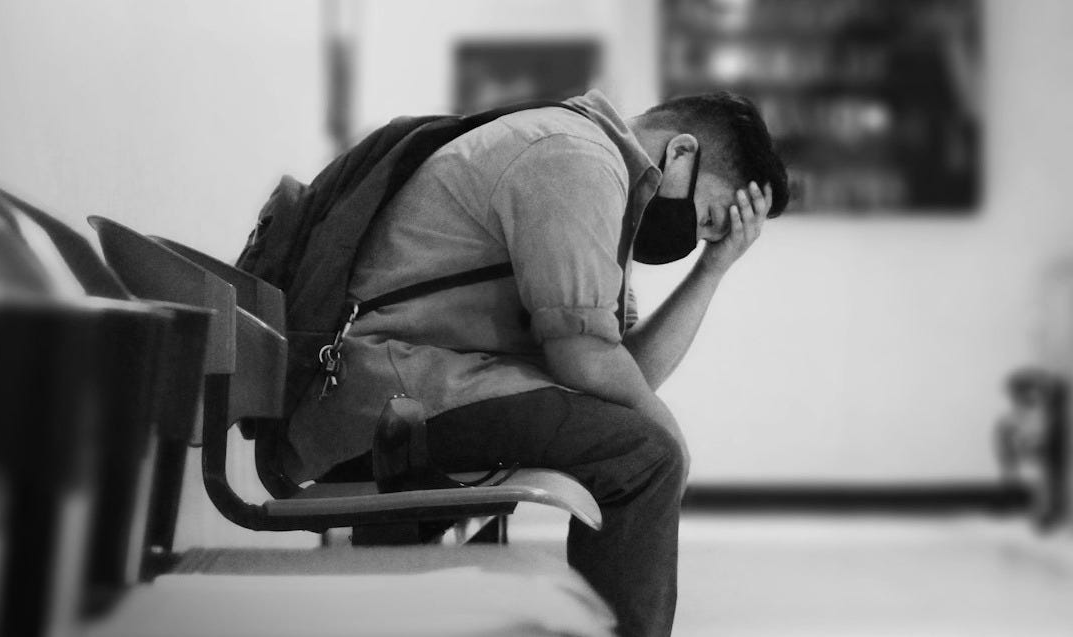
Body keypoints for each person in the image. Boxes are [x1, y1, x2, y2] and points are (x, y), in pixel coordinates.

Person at [285, 89, 788, 636]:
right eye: (708, 217)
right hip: (390, 389)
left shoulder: (600, 181)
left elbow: (619, 376)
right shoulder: (575, 157)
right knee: (648, 456)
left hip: (418, 386)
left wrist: (714, 268)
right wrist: (670, 436)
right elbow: (584, 360)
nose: (690, 238)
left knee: (642, 445)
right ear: (682, 153)